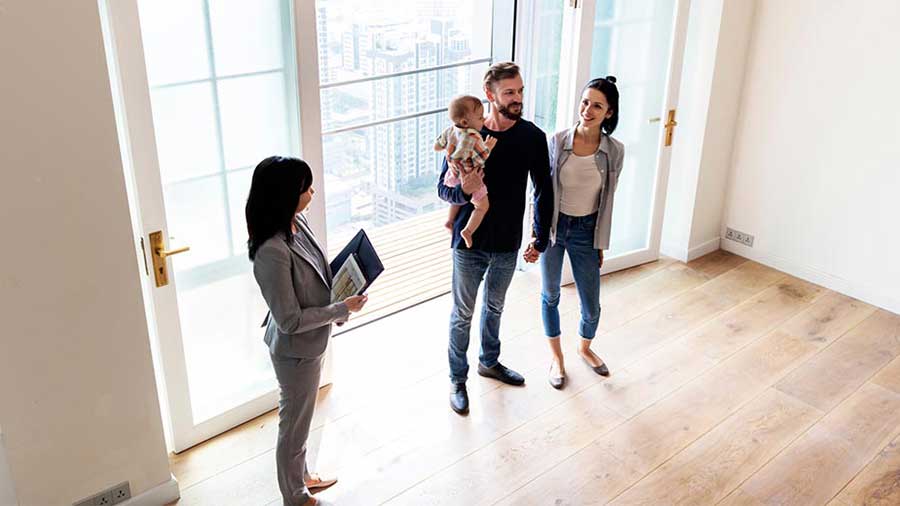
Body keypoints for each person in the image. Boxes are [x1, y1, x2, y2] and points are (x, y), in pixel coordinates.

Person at [247, 156, 368, 506]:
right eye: (306, 187)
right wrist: (340, 309)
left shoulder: (296, 223)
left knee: (302, 418)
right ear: (286, 194)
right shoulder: (271, 249)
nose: (313, 191)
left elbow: (318, 273)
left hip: (310, 345)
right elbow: (289, 321)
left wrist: (344, 291)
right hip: (294, 350)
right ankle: (295, 496)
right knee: (294, 424)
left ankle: (301, 476)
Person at [436, 62, 553, 415]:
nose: (517, 98)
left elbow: (543, 191)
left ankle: (490, 361)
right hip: (468, 245)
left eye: (519, 91)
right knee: (462, 314)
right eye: (509, 93)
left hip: (506, 244)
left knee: (495, 308)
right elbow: (444, 189)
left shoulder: (533, 137)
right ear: (490, 95)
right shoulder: (463, 133)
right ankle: (458, 379)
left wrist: (539, 237)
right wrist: (466, 193)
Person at [541, 77, 625, 390]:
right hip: (554, 228)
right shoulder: (558, 140)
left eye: (597, 105)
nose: (587, 109)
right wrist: (537, 235)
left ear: (609, 113)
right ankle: (557, 358)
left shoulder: (614, 151)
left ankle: (584, 348)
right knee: (550, 295)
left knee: (591, 305)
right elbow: (543, 193)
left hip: (587, 230)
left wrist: (600, 243)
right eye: (585, 101)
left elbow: (607, 200)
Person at [434, 95, 497, 248]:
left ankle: (450, 221)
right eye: (480, 117)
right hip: (470, 177)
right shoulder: (474, 136)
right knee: (482, 206)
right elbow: (481, 158)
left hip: (453, 174)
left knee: (457, 198)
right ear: (465, 122)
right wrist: (488, 146)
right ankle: (468, 231)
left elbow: (437, 146)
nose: (483, 120)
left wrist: (451, 151)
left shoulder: (450, 131)